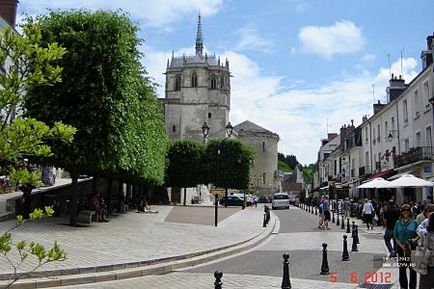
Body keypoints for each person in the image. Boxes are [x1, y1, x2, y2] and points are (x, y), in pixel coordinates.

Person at [394, 204, 418, 289]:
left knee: (412, 270)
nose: (406, 212)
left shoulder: (414, 222)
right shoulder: (398, 222)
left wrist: (413, 240)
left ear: (410, 211)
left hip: (412, 248)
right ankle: (403, 287)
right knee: (402, 269)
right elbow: (395, 236)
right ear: (401, 212)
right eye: (404, 210)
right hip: (401, 248)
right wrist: (401, 246)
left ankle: (412, 287)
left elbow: (419, 234)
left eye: (407, 210)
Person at [417, 211, 434, 289]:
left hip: (427, 262)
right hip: (427, 262)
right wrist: (425, 233)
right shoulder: (428, 221)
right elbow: (419, 229)